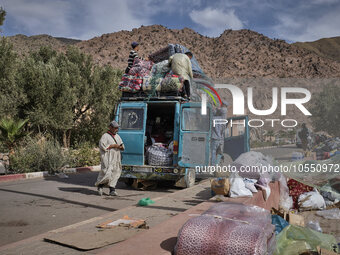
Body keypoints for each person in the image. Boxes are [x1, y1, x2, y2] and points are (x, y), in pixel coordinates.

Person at [95, 121, 125, 196]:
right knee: (106, 172)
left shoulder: (118, 136)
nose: (116, 129)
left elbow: (122, 147)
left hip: (116, 158)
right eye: (115, 128)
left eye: (117, 128)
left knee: (116, 172)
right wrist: (112, 146)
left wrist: (118, 146)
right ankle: (100, 186)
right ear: (110, 128)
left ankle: (112, 190)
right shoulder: (105, 136)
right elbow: (103, 146)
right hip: (108, 158)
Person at [211, 101, 229, 165]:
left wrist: (214, 108)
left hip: (215, 138)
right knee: (219, 152)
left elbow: (214, 112)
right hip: (221, 139)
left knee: (213, 152)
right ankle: (217, 165)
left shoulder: (214, 119)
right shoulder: (223, 120)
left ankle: (213, 166)